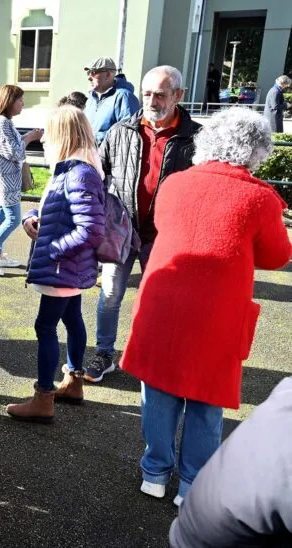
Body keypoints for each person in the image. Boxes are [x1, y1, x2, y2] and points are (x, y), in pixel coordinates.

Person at [119, 107, 292, 505]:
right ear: (256, 151)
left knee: (158, 390)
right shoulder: (259, 198)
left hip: (162, 300)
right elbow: (277, 256)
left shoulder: (175, 183)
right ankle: (193, 485)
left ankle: (154, 472)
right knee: (205, 396)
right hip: (216, 311)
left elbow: (163, 225)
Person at [86, 65, 201, 384]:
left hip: (166, 237)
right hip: (121, 232)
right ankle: (104, 353)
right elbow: (96, 175)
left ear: (178, 95)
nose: (152, 101)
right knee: (110, 295)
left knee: (161, 301)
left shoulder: (197, 137)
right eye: (147, 93)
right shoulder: (121, 130)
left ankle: (152, 355)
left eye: (160, 95)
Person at [5, 105, 105, 422]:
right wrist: (32, 217)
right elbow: (57, 208)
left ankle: (43, 398)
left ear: (63, 134)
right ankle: (74, 383)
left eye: (48, 133)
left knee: (45, 326)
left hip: (62, 267)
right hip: (68, 268)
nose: (44, 139)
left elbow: (91, 229)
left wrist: (53, 250)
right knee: (73, 319)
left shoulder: (79, 173)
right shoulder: (73, 170)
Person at [169, 377, 292, 548]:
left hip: (194, 525)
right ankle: (182, 482)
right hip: (221, 544)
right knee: (206, 402)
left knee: (163, 393)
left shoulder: (287, 390)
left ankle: (155, 474)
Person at [0, 84, 42, 275]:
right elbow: (14, 152)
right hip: (6, 180)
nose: (23, 103)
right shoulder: (3, 123)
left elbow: (10, 146)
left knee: (0, 214)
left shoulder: (1, 121)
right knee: (13, 219)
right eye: (20, 100)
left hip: (2, 178)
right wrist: (30, 137)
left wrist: (26, 136)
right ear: (9, 101)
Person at [83, 57, 140, 144]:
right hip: (89, 150)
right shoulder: (91, 98)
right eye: (88, 73)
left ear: (108, 75)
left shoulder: (124, 96)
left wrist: (94, 139)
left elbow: (127, 133)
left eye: (93, 72)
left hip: (108, 152)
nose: (89, 77)